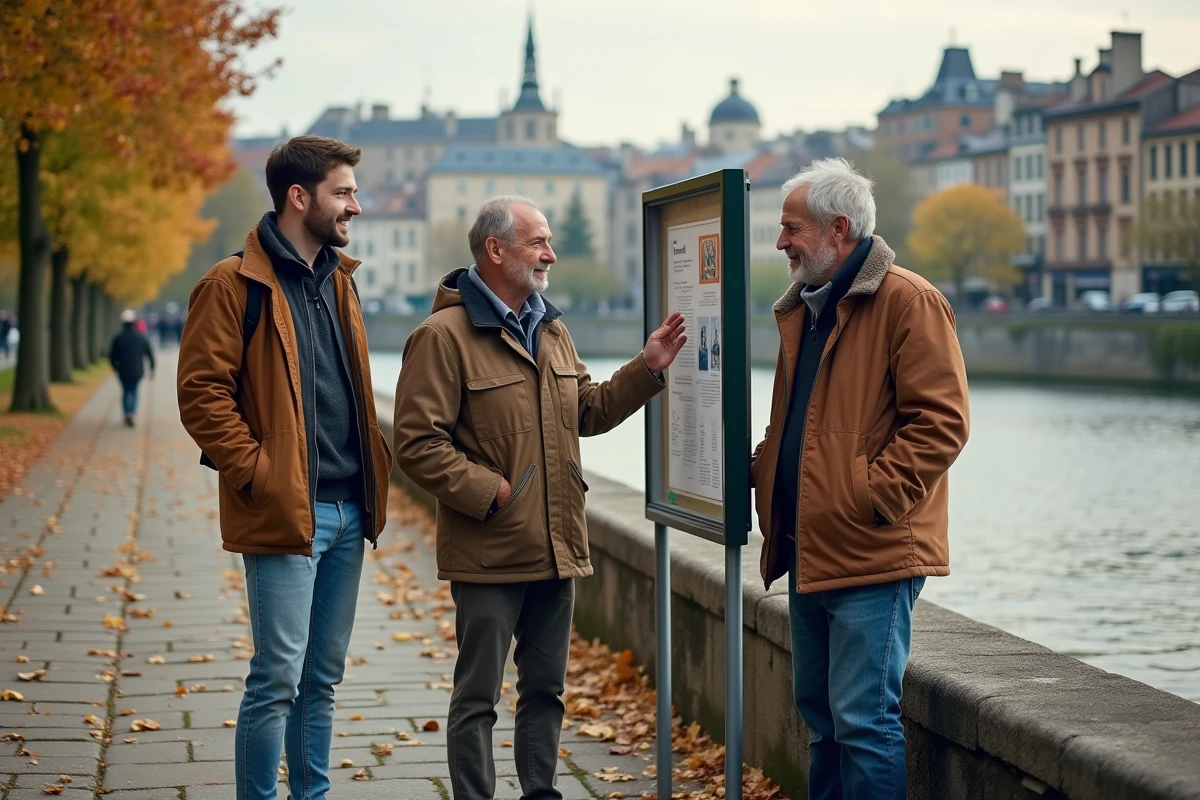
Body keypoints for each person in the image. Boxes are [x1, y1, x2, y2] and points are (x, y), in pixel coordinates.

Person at [392, 196, 686, 800]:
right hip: (489, 550)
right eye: (538, 243)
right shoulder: (441, 336)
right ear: (495, 251)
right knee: (478, 697)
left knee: (547, 691)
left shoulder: (552, 327)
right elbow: (417, 445)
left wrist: (647, 368)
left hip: (558, 548)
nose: (551, 255)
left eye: (549, 242)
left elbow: (588, 411)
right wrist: (490, 492)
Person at [176, 135, 393, 800]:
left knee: (321, 680)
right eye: (343, 192)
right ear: (299, 197)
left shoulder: (340, 280)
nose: (356, 205)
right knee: (277, 679)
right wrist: (260, 473)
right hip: (284, 511)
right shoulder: (230, 284)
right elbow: (200, 395)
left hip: (348, 510)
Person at [751, 158, 969, 800]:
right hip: (810, 550)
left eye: (791, 228)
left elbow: (942, 422)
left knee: (864, 725)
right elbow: (792, 426)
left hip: (871, 553)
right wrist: (760, 476)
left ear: (837, 228)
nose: (781, 241)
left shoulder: (908, 300)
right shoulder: (808, 309)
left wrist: (870, 498)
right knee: (823, 724)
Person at [109, 309, 155, 427]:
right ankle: (132, 413)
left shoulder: (118, 337)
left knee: (125, 391)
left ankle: (126, 413)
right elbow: (149, 353)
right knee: (134, 391)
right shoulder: (141, 337)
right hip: (137, 370)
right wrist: (152, 368)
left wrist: (114, 367)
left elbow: (112, 355)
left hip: (123, 370)